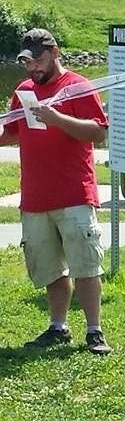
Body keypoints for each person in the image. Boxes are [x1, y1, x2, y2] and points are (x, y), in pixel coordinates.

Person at [0, 28, 111, 355]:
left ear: (55, 52)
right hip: (35, 198)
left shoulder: (78, 87)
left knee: (86, 266)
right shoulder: (23, 91)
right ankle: (58, 326)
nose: (33, 68)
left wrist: (55, 117)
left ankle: (94, 331)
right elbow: (10, 132)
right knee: (50, 268)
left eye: (38, 60)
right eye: (27, 62)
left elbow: (98, 133)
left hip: (75, 193)